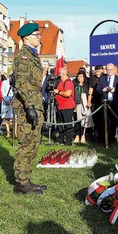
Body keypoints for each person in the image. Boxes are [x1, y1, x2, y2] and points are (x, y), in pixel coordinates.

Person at [12, 23, 46, 194]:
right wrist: (29, 106)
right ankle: (21, 183)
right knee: (26, 143)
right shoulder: (23, 56)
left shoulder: (33, 55)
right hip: (28, 105)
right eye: (36, 35)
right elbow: (21, 83)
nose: (39, 37)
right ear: (26, 37)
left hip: (35, 102)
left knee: (34, 143)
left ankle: (26, 179)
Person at [97, 63, 118, 141]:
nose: (109, 71)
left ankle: (111, 138)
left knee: (113, 122)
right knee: (104, 122)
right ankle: (103, 138)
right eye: (107, 70)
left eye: (111, 70)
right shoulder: (102, 79)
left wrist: (115, 90)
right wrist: (102, 90)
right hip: (104, 103)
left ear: (114, 69)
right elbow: (97, 89)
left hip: (115, 103)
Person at [53, 67, 75, 146]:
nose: (59, 75)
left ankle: (69, 141)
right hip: (60, 106)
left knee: (67, 124)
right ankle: (60, 138)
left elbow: (68, 94)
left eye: (60, 73)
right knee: (60, 123)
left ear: (63, 74)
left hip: (67, 106)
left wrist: (58, 92)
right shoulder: (60, 82)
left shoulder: (68, 83)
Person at [73, 70, 93, 143]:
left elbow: (89, 93)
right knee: (77, 121)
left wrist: (88, 102)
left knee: (85, 121)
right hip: (76, 105)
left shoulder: (87, 85)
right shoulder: (74, 84)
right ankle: (77, 135)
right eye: (78, 76)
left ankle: (83, 135)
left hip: (84, 104)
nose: (79, 78)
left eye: (81, 76)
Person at [88, 65, 104, 142]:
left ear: (102, 71)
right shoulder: (92, 78)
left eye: (99, 71)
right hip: (95, 100)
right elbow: (90, 91)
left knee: (103, 119)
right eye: (96, 71)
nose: (97, 73)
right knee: (95, 119)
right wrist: (89, 101)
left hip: (104, 100)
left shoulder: (105, 77)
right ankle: (96, 136)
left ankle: (103, 136)